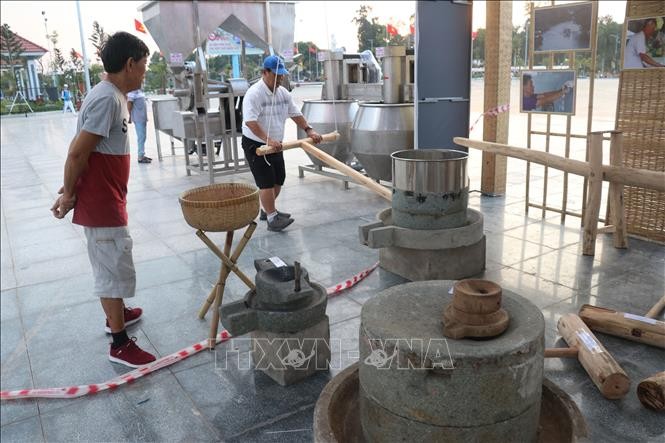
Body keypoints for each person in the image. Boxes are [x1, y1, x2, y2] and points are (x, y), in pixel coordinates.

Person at [50, 32, 156, 368]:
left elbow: (88, 152)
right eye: (143, 66)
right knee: (112, 268)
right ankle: (120, 343)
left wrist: (71, 189)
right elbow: (78, 151)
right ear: (129, 64)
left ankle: (119, 313)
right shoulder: (107, 99)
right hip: (102, 205)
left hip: (108, 198)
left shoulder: (111, 96)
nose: (144, 72)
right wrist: (68, 194)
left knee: (114, 261)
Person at [241, 55, 322, 232]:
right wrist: (268, 140)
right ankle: (272, 218)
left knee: (279, 178)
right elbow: (250, 122)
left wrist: (309, 130)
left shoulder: (283, 93)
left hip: (276, 144)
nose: (281, 78)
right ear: (265, 72)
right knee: (266, 182)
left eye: (282, 74)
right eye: (277, 75)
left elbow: (295, 113)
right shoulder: (254, 94)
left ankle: (267, 210)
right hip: (256, 144)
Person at [127, 88, 151, 163]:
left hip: (142, 118)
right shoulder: (132, 90)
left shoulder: (139, 90)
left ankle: (142, 154)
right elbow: (129, 103)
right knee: (141, 137)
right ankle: (140, 156)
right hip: (138, 118)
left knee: (143, 137)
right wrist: (130, 116)